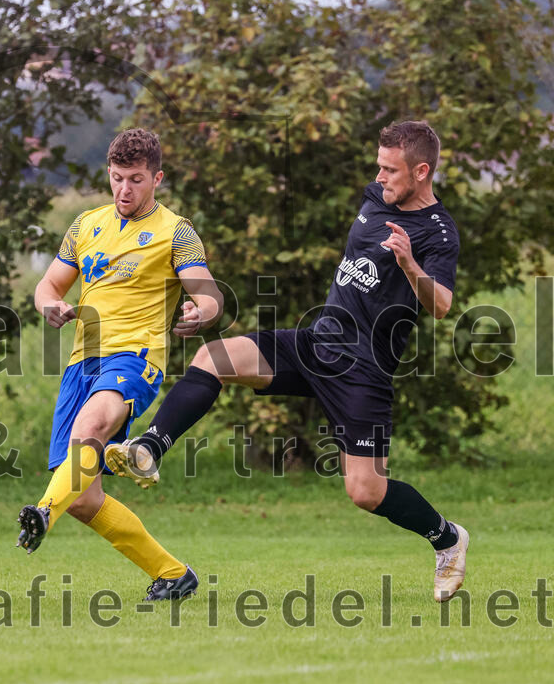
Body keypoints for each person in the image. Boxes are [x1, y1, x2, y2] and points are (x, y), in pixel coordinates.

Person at [106, 121, 469, 603]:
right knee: (215, 356)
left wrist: (408, 264)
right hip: (317, 342)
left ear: (422, 172)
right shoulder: (379, 196)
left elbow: (442, 305)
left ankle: (448, 538)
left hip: (363, 370)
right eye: (378, 166)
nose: (379, 177)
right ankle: (150, 448)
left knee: (365, 491)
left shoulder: (438, 233)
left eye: (390, 169)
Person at [16, 128, 223, 601]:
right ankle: (172, 573)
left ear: (157, 179)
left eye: (135, 180)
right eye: (116, 179)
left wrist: (200, 311)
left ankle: (42, 511)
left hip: (136, 355)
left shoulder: (176, 231)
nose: (124, 190)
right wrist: (48, 305)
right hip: (80, 364)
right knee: (84, 499)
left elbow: (207, 294)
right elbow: (48, 286)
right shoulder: (85, 225)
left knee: (91, 428)